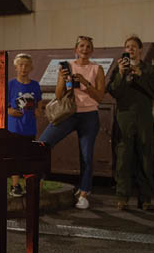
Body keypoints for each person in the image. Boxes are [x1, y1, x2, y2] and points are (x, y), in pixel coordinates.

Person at [39, 35, 106, 210]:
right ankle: (38, 180)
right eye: (81, 46)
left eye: (88, 47)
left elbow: (100, 97)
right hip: (68, 113)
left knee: (86, 155)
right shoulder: (67, 67)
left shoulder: (97, 69)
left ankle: (84, 192)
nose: (84, 49)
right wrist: (63, 78)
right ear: (75, 49)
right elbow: (59, 95)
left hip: (89, 115)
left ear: (92, 50)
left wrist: (85, 82)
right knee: (43, 143)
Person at [107, 35, 154, 210]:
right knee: (123, 158)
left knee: (145, 157)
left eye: (134, 47)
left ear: (140, 50)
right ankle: (122, 197)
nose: (130, 49)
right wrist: (122, 74)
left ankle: (145, 199)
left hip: (144, 118)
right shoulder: (119, 68)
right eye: (127, 46)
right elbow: (114, 91)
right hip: (125, 118)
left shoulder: (148, 69)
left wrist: (140, 74)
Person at [7, 53, 43, 198]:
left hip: (29, 126)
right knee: (15, 155)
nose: (24, 68)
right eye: (21, 65)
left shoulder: (34, 85)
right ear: (16, 67)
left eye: (27, 65)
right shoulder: (11, 84)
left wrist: (38, 110)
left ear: (31, 67)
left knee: (29, 156)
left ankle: (30, 184)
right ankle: (15, 185)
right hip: (14, 127)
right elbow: (4, 104)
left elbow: (39, 102)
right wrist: (9, 111)